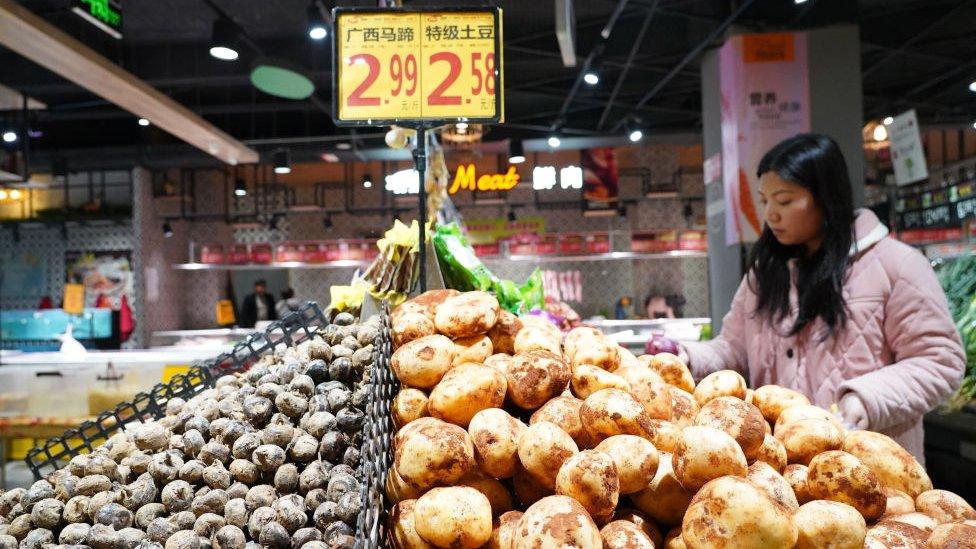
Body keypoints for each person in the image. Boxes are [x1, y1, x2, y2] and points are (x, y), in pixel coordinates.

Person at [680, 134, 964, 462]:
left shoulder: (895, 264)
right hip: (784, 470)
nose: (771, 214)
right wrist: (688, 358)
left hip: (871, 467)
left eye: (784, 201)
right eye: (764, 200)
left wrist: (866, 399)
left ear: (826, 197)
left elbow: (940, 361)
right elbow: (733, 348)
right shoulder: (766, 271)